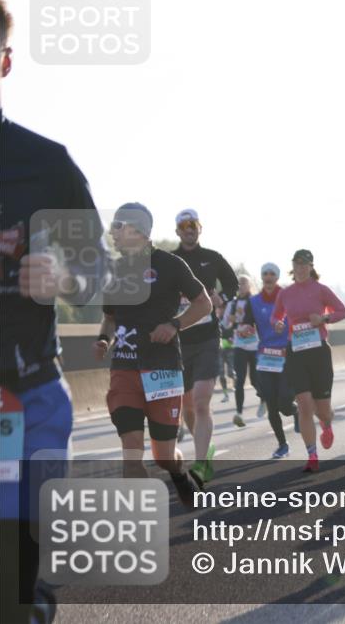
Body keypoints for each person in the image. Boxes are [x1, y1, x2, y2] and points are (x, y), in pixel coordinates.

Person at [0, 0, 110, 624]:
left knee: (15, 584)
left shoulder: (46, 165)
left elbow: (101, 276)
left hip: (24, 398)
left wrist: (62, 276)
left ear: (5, 62)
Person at [94, 203, 209, 500]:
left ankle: (179, 474)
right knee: (131, 455)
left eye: (117, 226)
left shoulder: (170, 264)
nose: (112, 233)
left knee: (164, 457)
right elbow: (110, 318)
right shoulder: (114, 271)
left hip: (162, 368)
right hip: (124, 368)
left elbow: (204, 304)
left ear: (137, 230)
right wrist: (104, 340)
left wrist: (174, 325)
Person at [172, 208, 238, 485]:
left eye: (193, 225)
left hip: (208, 338)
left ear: (200, 229)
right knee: (187, 406)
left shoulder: (212, 258)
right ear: (177, 230)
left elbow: (233, 283)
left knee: (201, 401)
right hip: (179, 341)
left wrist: (221, 297)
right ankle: (205, 449)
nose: (189, 230)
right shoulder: (170, 260)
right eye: (184, 226)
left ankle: (201, 465)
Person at [272, 250, 345, 472]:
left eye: (305, 264)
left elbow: (342, 311)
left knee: (323, 410)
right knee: (305, 405)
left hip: (318, 353)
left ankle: (326, 424)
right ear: (292, 266)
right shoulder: (285, 293)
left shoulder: (321, 289)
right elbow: (276, 316)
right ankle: (312, 455)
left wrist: (324, 318)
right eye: (297, 264)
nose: (301, 268)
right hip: (296, 352)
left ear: (311, 266)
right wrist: (278, 323)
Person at [239, 263, 299, 458]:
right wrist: (245, 329)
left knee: (284, 403)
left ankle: (295, 411)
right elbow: (247, 323)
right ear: (262, 277)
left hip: (286, 354)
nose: (268, 276)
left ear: (277, 277)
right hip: (265, 358)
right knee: (271, 403)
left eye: (272, 273)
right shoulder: (253, 302)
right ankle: (282, 445)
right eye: (265, 273)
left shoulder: (288, 297)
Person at [224, 275, 260, 425]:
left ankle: (264, 399)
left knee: (255, 379)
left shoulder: (256, 301)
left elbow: (262, 320)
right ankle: (239, 413)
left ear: (249, 285)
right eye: (239, 283)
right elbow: (225, 324)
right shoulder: (232, 304)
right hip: (239, 345)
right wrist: (229, 320)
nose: (241, 286)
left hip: (255, 345)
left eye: (244, 283)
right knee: (239, 379)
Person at [217, 304, 235, 406]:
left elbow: (236, 330)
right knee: (221, 374)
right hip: (219, 350)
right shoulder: (216, 320)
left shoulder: (230, 319)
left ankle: (236, 387)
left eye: (222, 308)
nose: (221, 310)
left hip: (230, 349)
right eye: (219, 308)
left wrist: (233, 338)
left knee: (231, 373)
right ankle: (225, 395)